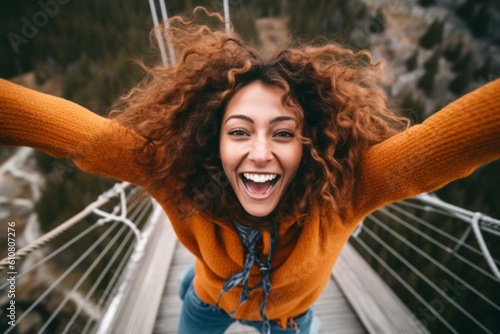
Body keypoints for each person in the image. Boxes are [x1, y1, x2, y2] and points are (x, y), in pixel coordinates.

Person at [1, 8, 499, 334]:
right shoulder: (176, 174)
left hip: (289, 320)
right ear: (210, 142)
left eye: (283, 133)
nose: (260, 153)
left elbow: (447, 146)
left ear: (309, 144)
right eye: (239, 131)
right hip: (208, 301)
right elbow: (85, 137)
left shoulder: (346, 188)